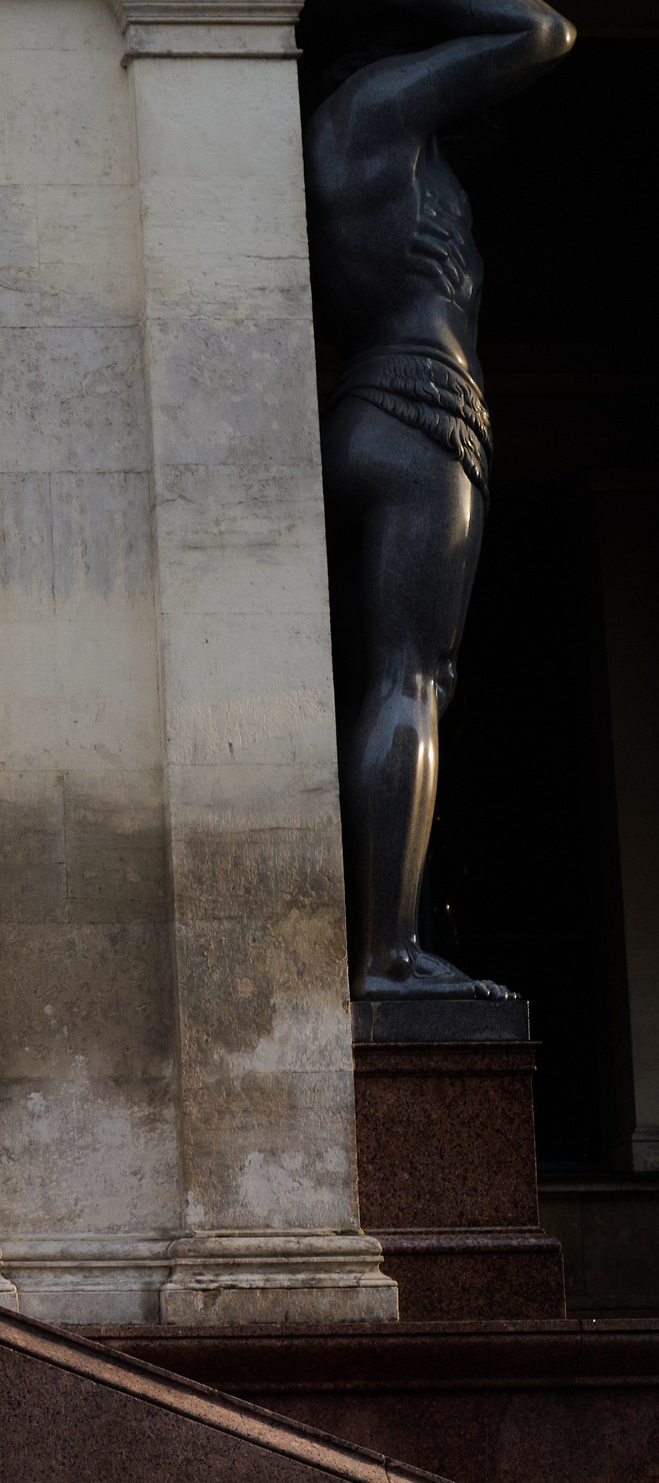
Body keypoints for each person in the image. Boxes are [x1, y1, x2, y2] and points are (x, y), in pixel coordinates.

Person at [306, 0, 572, 1000]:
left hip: (368, 399)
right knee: (413, 678)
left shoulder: (352, 141)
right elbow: (541, 32)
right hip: (423, 407)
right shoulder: (376, 107)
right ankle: (389, 955)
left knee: (395, 678)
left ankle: (388, 941)